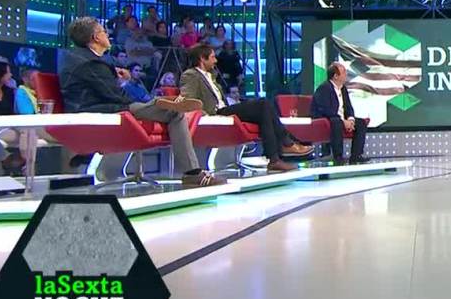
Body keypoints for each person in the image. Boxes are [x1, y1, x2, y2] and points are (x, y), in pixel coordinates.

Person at [58, 17, 223, 186]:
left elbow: (104, 86)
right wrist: (134, 90)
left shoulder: (80, 58)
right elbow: (116, 95)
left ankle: (164, 103)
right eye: (103, 31)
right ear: (95, 38)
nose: (107, 34)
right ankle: (192, 173)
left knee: (166, 107)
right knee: (175, 113)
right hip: (102, 109)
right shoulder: (91, 63)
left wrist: (117, 76)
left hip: (100, 105)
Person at [180, 45, 310, 172]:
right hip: (216, 113)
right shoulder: (190, 75)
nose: (216, 60)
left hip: (224, 110)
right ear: (202, 59)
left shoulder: (211, 76)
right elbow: (188, 99)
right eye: (213, 57)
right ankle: (285, 145)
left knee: (264, 109)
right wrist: (205, 114)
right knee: (263, 105)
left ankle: (277, 156)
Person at [310, 62, 371, 166]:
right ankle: (338, 157)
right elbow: (325, 109)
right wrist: (343, 121)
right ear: (336, 76)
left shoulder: (343, 88)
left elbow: (348, 107)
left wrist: (351, 120)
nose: (346, 74)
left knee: (361, 123)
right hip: (327, 119)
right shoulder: (324, 88)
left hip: (341, 119)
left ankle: (356, 156)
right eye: (344, 72)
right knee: (336, 122)